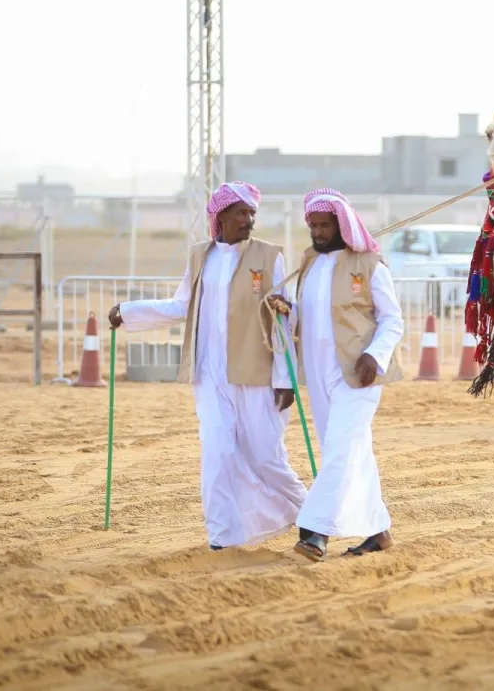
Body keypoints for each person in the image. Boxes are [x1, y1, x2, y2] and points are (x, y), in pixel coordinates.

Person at [109, 182, 307, 550]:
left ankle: (312, 518)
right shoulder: (201, 256)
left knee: (265, 456)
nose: (248, 220)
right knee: (217, 454)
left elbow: (285, 319)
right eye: (241, 214)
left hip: (257, 375)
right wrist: (128, 312)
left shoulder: (269, 257)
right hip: (210, 375)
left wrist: (285, 377)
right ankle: (223, 536)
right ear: (220, 218)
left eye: (252, 214)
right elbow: (181, 305)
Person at [268, 189, 403, 561]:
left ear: (342, 225)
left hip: (359, 374)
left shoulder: (370, 263)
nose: (317, 232)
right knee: (347, 451)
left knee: (341, 451)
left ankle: (315, 532)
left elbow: (393, 319)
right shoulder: (309, 262)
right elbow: (309, 316)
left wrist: (374, 356)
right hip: (318, 372)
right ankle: (378, 531)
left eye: (324, 225)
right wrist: (286, 309)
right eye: (312, 225)